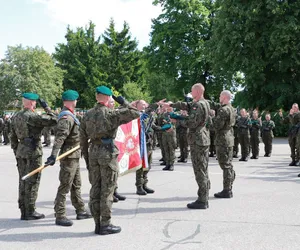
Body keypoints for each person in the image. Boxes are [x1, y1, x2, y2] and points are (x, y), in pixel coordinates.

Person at [80, 86, 140, 235]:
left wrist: (87, 160)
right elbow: (135, 113)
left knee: (95, 188)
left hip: (93, 151)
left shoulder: (87, 115)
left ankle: (97, 223)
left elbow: (82, 140)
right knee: (107, 189)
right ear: (108, 98)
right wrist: (123, 101)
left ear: (96, 97)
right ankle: (105, 224)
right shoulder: (111, 114)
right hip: (107, 152)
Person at [45, 90, 92, 226]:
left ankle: (80, 210)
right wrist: (53, 155)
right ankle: (60, 215)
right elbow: (60, 138)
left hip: (74, 155)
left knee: (76, 185)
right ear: (72, 101)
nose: (76, 103)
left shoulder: (71, 116)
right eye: (75, 100)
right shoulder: (67, 118)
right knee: (65, 185)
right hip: (69, 156)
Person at [10, 93, 57, 220]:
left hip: (21, 151)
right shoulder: (33, 116)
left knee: (23, 180)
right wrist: (47, 108)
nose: (35, 104)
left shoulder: (16, 116)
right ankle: (30, 211)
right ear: (31, 103)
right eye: (35, 102)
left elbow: (12, 138)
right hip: (33, 152)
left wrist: (17, 152)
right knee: (33, 180)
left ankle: (23, 210)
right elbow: (54, 120)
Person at [169, 83, 210, 209]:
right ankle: (204, 197)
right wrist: (172, 105)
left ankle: (203, 200)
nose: (191, 94)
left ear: (197, 91)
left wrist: (178, 119)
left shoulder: (198, 105)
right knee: (203, 169)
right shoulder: (205, 103)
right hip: (202, 138)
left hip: (198, 140)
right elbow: (187, 105)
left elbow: (191, 122)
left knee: (200, 170)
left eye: (192, 91)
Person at [211, 90, 236, 198]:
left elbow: (216, 125)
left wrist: (210, 118)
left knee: (225, 165)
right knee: (228, 164)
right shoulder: (231, 108)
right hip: (229, 138)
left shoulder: (223, 110)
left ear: (225, 97)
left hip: (223, 139)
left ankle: (227, 190)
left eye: (220, 95)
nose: (219, 97)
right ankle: (229, 183)